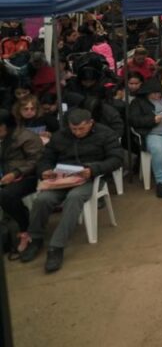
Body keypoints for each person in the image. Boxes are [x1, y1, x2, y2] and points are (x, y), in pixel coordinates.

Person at [21, 109, 123, 273]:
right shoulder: (60, 136)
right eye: (73, 129)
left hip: (90, 178)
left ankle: (56, 246)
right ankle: (35, 238)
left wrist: (93, 169)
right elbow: (46, 158)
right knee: (42, 200)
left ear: (91, 123)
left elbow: (117, 159)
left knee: (74, 198)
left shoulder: (105, 134)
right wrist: (45, 171)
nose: (77, 132)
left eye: (81, 128)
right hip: (63, 178)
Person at [0, 109, 44, 255]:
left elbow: (36, 160)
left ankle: (26, 228)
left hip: (28, 177)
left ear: (6, 126)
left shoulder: (27, 137)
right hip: (5, 175)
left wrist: (15, 173)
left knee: (6, 195)